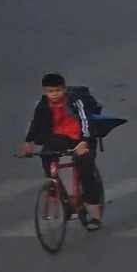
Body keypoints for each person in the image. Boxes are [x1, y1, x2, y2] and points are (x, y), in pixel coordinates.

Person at [18, 73, 105, 229]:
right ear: (45, 91)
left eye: (58, 90)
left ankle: (94, 215)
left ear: (64, 89)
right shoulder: (42, 104)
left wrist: (84, 142)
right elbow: (35, 123)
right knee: (47, 156)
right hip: (59, 137)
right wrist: (28, 142)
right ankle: (59, 194)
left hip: (82, 137)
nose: (54, 94)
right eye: (51, 91)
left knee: (85, 168)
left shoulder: (75, 101)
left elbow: (86, 122)